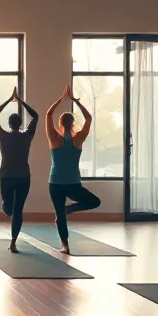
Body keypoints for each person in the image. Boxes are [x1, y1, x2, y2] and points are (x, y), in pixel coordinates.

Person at [44, 85, 101, 253]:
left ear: (61, 123)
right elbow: (89, 118)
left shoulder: (54, 138)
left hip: (55, 183)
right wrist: (75, 101)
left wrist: (61, 99)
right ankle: (69, 210)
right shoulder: (79, 139)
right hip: (73, 183)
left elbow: (48, 115)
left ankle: (65, 246)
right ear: (73, 123)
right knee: (94, 202)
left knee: (60, 215)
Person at [0, 86, 38, 253]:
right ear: (19, 124)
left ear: (10, 124)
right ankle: (13, 241)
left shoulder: (3, 136)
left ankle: (13, 243)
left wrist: (9, 100)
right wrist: (21, 101)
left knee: (12, 210)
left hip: (8, 177)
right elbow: (36, 116)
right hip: (23, 177)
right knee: (15, 210)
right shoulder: (27, 136)